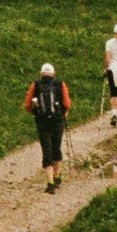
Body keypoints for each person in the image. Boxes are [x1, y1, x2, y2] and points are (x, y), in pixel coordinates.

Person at [26, 61, 70, 190]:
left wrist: (36, 112)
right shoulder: (60, 84)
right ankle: (57, 176)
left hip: (42, 122)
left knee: (46, 149)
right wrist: (64, 112)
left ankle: (50, 183)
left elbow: (27, 105)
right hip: (57, 121)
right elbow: (67, 103)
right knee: (56, 147)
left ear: (41, 74)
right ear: (53, 73)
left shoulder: (36, 85)